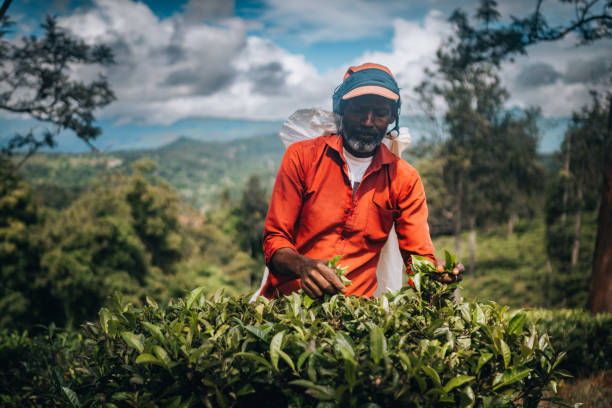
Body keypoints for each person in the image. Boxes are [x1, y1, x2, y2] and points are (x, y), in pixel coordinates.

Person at [260, 63, 462, 299]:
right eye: (359, 110)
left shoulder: (404, 179)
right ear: (342, 111)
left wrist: (438, 275)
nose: (368, 122)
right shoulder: (303, 157)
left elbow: (418, 258)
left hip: (354, 318)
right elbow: (274, 239)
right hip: (289, 307)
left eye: (379, 113)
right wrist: (302, 266)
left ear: (391, 118)